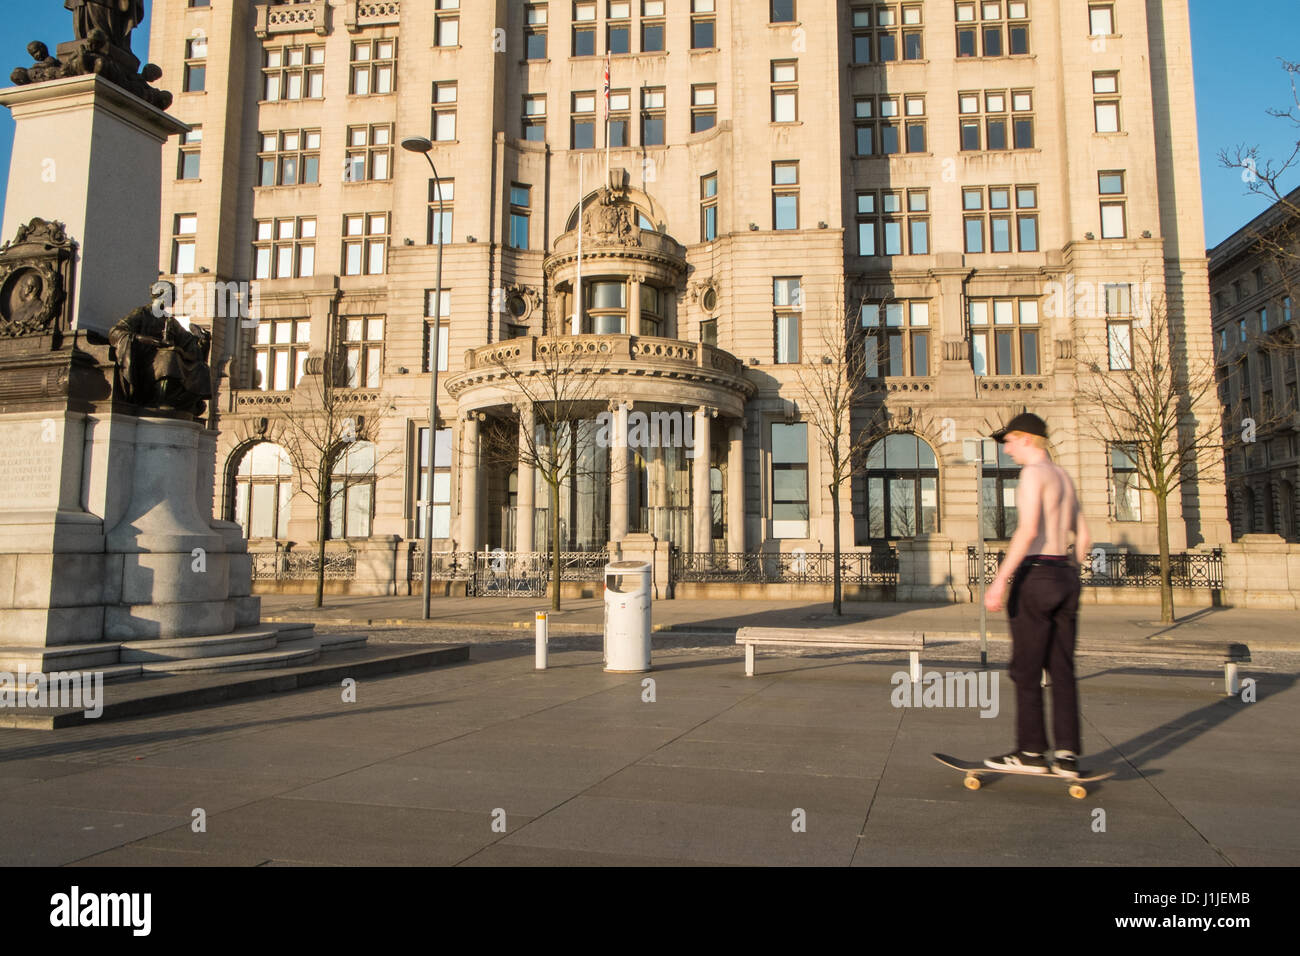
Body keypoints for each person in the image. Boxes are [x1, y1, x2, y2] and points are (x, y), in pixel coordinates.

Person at [981, 413, 1091, 778]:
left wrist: (999, 581)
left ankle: (1030, 752)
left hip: (1036, 576)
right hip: (1065, 574)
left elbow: (1027, 532)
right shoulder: (1063, 477)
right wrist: (1067, 573)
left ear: (1026, 438)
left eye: (1009, 441)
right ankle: (1067, 755)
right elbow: (1085, 538)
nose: (1007, 449)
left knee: (1026, 670)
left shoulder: (1032, 476)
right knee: (1062, 669)